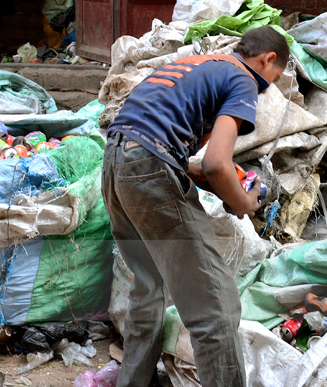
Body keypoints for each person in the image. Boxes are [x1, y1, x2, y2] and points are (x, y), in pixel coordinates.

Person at [103, 26, 289, 387]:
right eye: (275, 76)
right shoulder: (243, 78)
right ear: (268, 60)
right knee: (216, 308)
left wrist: (202, 177)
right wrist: (243, 202)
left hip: (114, 165)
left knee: (149, 284)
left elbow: (155, 140)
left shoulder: (198, 63)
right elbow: (217, 163)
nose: (269, 86)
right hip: (148, 170)